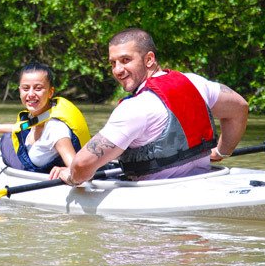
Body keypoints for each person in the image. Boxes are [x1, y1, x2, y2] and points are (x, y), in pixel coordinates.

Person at [50, 28, 248, 185]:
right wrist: (221, 152)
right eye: (113, 63)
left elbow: (83, 164)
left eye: (126, 60)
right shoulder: (195, 83)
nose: (118, 70)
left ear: (149, 59)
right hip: (201, 181)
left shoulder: (135, 109)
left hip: (153, 209)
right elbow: (239, 107)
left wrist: (72, 177)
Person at [0, 63, 91, 173]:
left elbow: (77, 170)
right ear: (20, 91)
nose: (30, 94)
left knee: (7, 139)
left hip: (34, 172)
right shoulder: (41, 115)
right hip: (39, 161)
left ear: (51, 92)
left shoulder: (56, 128)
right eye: (25, 88)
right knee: (10, 135)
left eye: (38, 88)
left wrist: (64, 170)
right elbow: (24, 126)